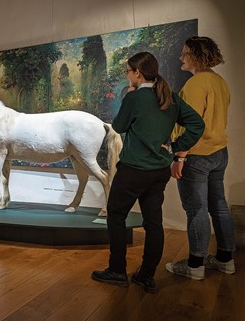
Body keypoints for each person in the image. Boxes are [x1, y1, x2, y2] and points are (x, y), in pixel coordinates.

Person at [92, 52, 204, 293]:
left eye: (128, 71)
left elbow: (119, 126)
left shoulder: (135, 97)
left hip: (133, 171)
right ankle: (146, 275)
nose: (126, 74)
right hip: (159, 171)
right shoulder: (170, 97)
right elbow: (197, 125)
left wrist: (130, 98)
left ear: (138, 73)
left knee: (115, 215)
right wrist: (175, 147)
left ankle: (117, 271)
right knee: (153, 222)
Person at [165, 36, 236, 280]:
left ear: (195, 55)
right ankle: (225, 260)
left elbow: (192, 125)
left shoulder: (196, 84)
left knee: (196, 210)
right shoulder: (220, 81)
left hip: (196, 155)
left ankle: (195, 265)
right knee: (219, 206)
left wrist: (179, 156)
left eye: (184, 53)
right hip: (219, 152)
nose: (181, 57)